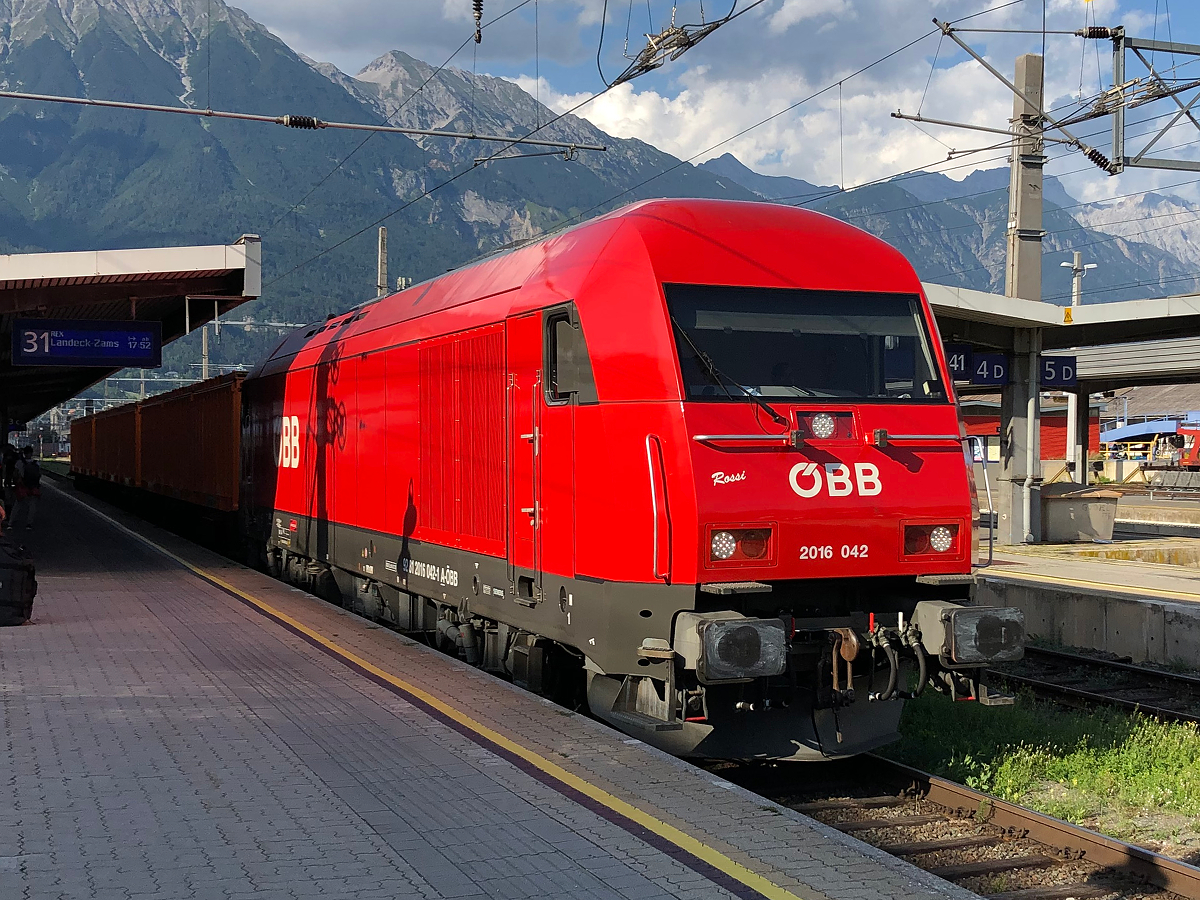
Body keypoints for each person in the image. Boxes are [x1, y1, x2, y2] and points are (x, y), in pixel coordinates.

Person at [11, 447, 40, 531]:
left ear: (24, 453)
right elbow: (39, 475)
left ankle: (10, 523)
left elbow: (15, 474)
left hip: (22, 487)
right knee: (32, 506)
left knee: (18, 504)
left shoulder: (19, 463)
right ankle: (29, 524)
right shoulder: (36, 463)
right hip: (33, 487)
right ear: (31, 453)